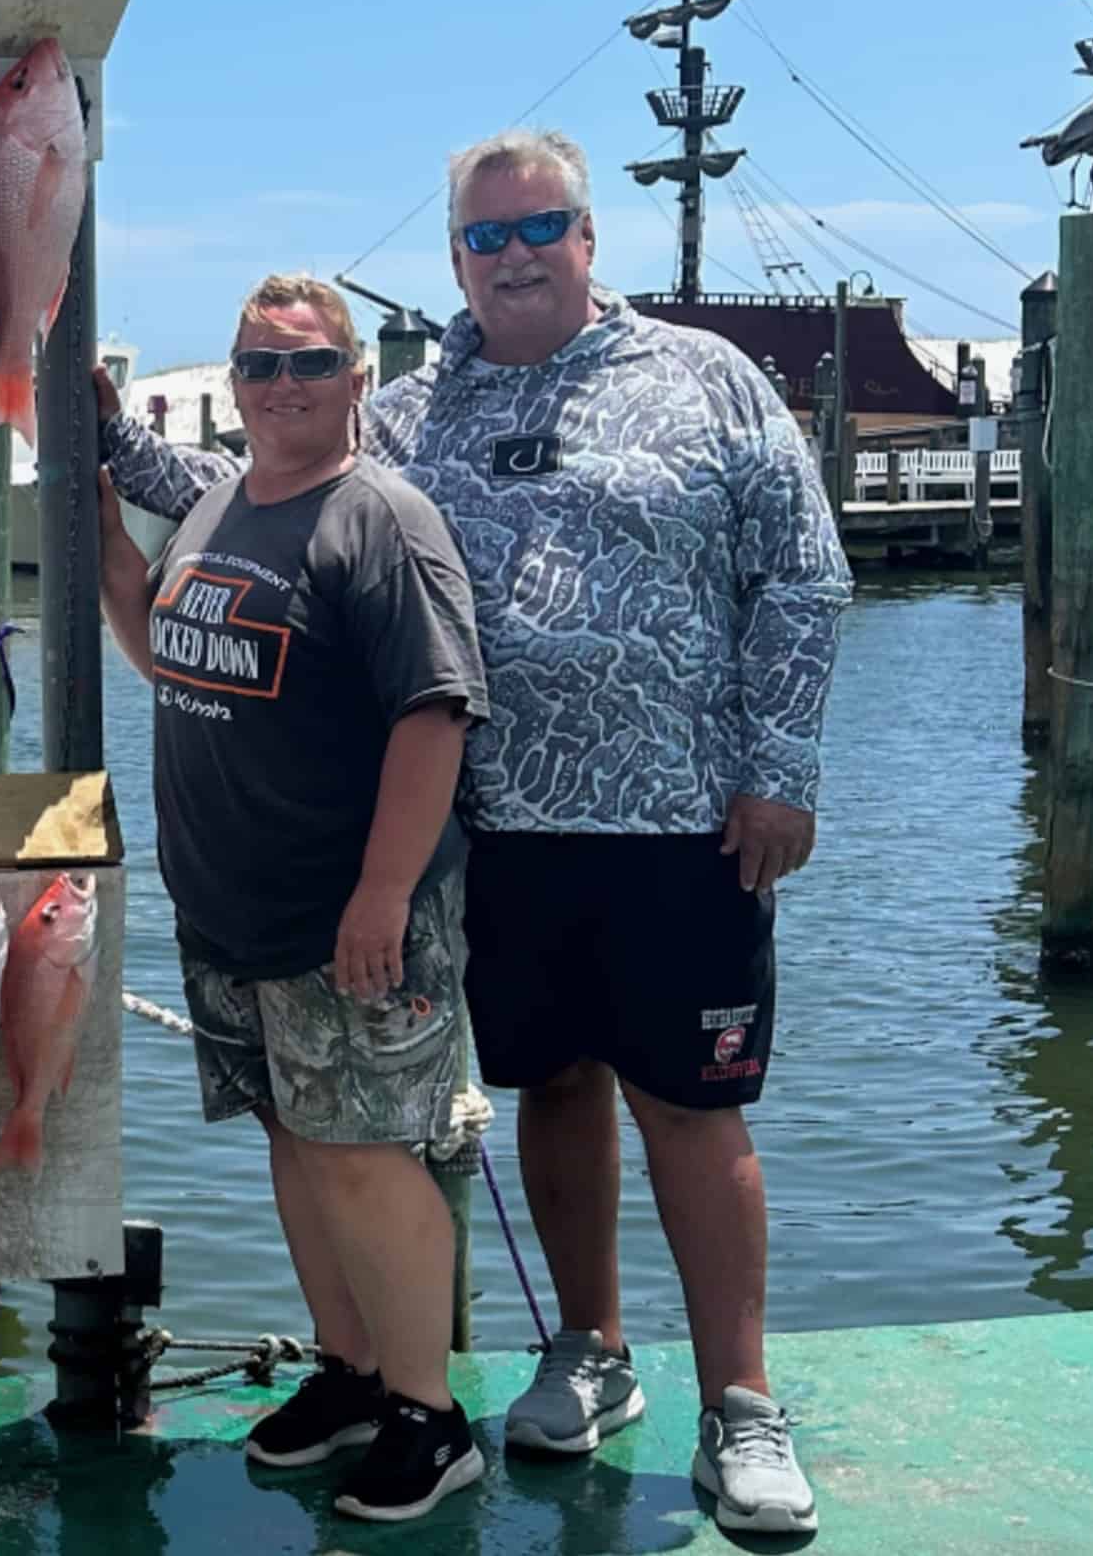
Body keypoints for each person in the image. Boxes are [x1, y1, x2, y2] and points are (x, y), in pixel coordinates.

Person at [97, 129, 851, 1536]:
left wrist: (782, 766)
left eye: (537, 227)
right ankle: (589, 1346)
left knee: (692, 1105)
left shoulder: (707, 377)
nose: (511, 255)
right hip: (495, 826)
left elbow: (801, 577)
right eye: (484, 237)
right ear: (453, 257)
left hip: (680, 817)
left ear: (586, 234)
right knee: (551, 1087)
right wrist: (107, 441)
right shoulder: (414, 404)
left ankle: (741, 1400)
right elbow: (266, 465)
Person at [97, 272, 491, 1524]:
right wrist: (106, 532)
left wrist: (382, 895)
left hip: (349, 917)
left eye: (308, 365)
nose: (280, 388)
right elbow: (165, 646)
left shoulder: (381, 519)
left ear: (356, 379)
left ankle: (432, 1417)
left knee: (368, 1153)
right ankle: (354, 1375)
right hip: (230, 912)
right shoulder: (218, 504)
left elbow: (436, 716)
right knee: (299, 1143)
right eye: (258, 365)